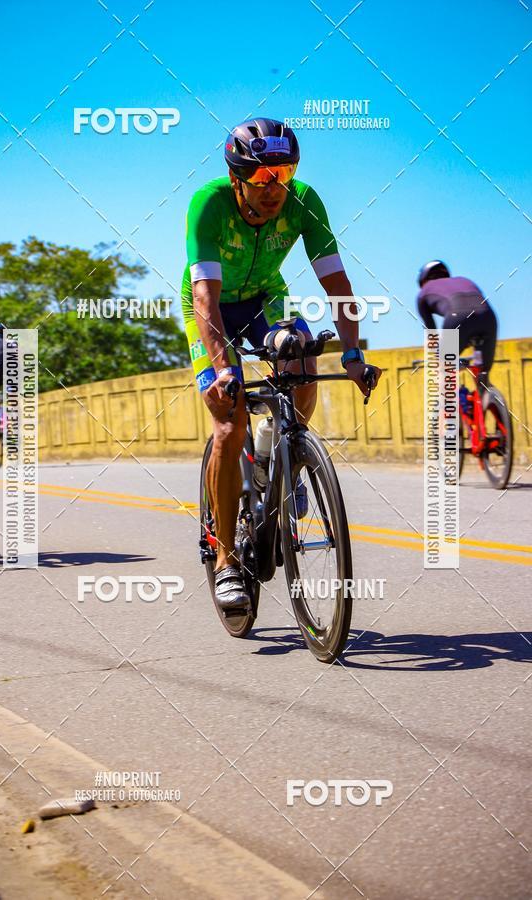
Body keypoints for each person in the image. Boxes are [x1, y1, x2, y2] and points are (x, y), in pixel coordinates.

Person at [181, 118, 380, 612]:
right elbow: (205, 296)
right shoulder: (209, 204)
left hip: (264, 299)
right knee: (228, 423)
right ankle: (226, 559)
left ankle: (283, 461)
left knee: (302, 357)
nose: (275, 188)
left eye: (284, 173)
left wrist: (353, 353)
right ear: (236, 178)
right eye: (263, 178)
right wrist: (223, 369)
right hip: (211, 309)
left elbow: (337, 284)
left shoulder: (304, 201)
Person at [416, 260, 497, 390]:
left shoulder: (423, 292)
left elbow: (431, 334)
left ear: (423, 280)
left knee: (442, 372)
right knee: (482, 375)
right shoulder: (464, 280)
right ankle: (488, 400)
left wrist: (436, 359)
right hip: (488, 316)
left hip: (457, 319)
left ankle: (450, 406)